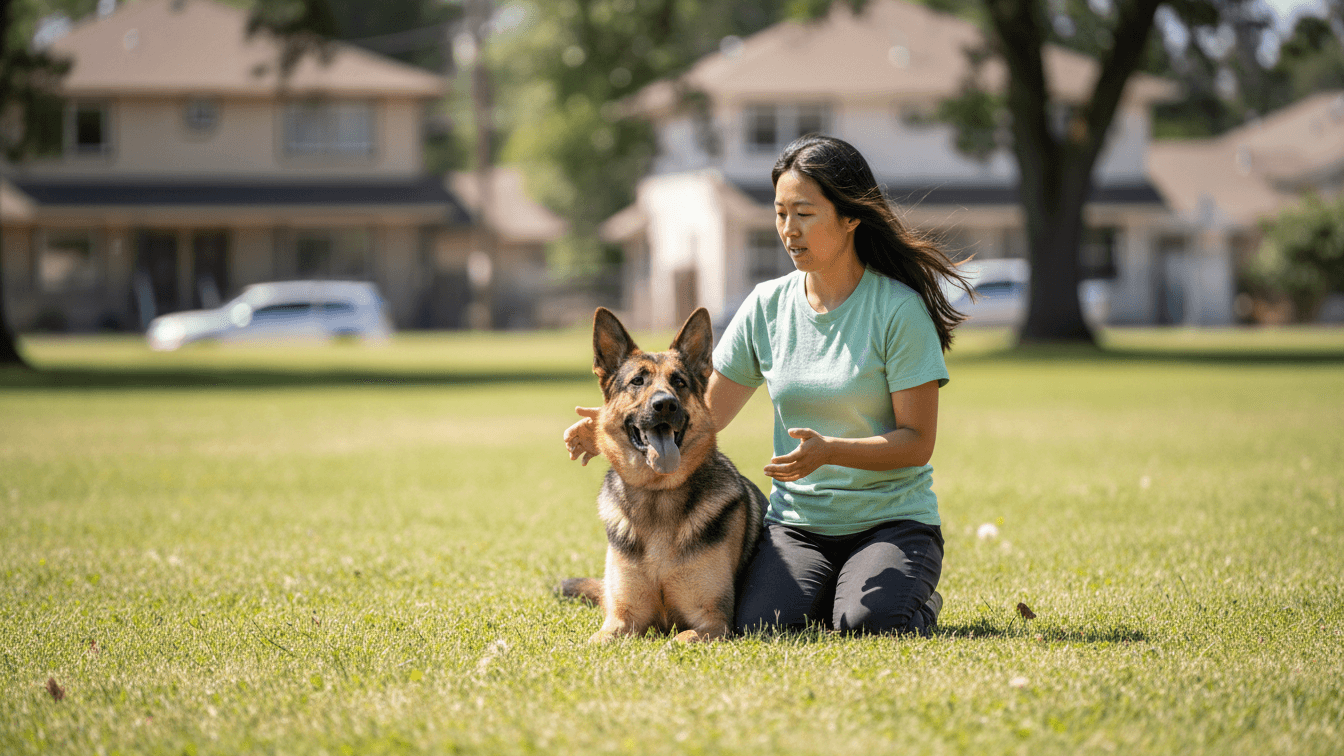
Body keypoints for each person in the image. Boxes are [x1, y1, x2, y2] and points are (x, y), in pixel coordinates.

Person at [564, 134, 969, 636]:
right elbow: (700, 411)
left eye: (805, 214)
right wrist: (623, 426)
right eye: (780, 214)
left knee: (871, 622)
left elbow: (917, 443)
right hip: (799, 526)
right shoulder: (766, 306)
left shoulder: (898, 311)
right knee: (762, 626)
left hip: (889, 522)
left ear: (850, 217)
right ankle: (842, 589)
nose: (788, 230)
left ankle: (914, 598)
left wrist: (830, 451)